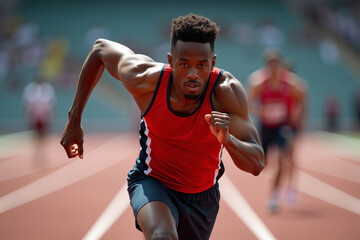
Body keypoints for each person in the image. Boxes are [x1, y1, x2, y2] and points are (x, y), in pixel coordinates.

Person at [60, 14, 264, 240]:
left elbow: (257, 164)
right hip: (153, 181)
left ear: (213, 63)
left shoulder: (226, 92)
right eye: (184, 64)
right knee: (163, 236)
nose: (193, 74)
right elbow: (99, 49)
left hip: (203, 197)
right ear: (170, 60)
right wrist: (74, 118)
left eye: (202, 65)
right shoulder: (145, 79)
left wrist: (228, 140)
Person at [247, 48, 303, 213]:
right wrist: (262, 111)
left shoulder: (290, 83)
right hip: (265, 127)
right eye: (270, 67)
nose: (274, 70)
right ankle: (275, 188)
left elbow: (299, 99)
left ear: (281, 66)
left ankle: (274, 196)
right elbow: (248, 105)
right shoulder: (258, 83)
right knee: (263, 163)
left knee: (281, 158)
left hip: (282, 125)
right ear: (266, 67)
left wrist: (294, 114)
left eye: (277, 67)